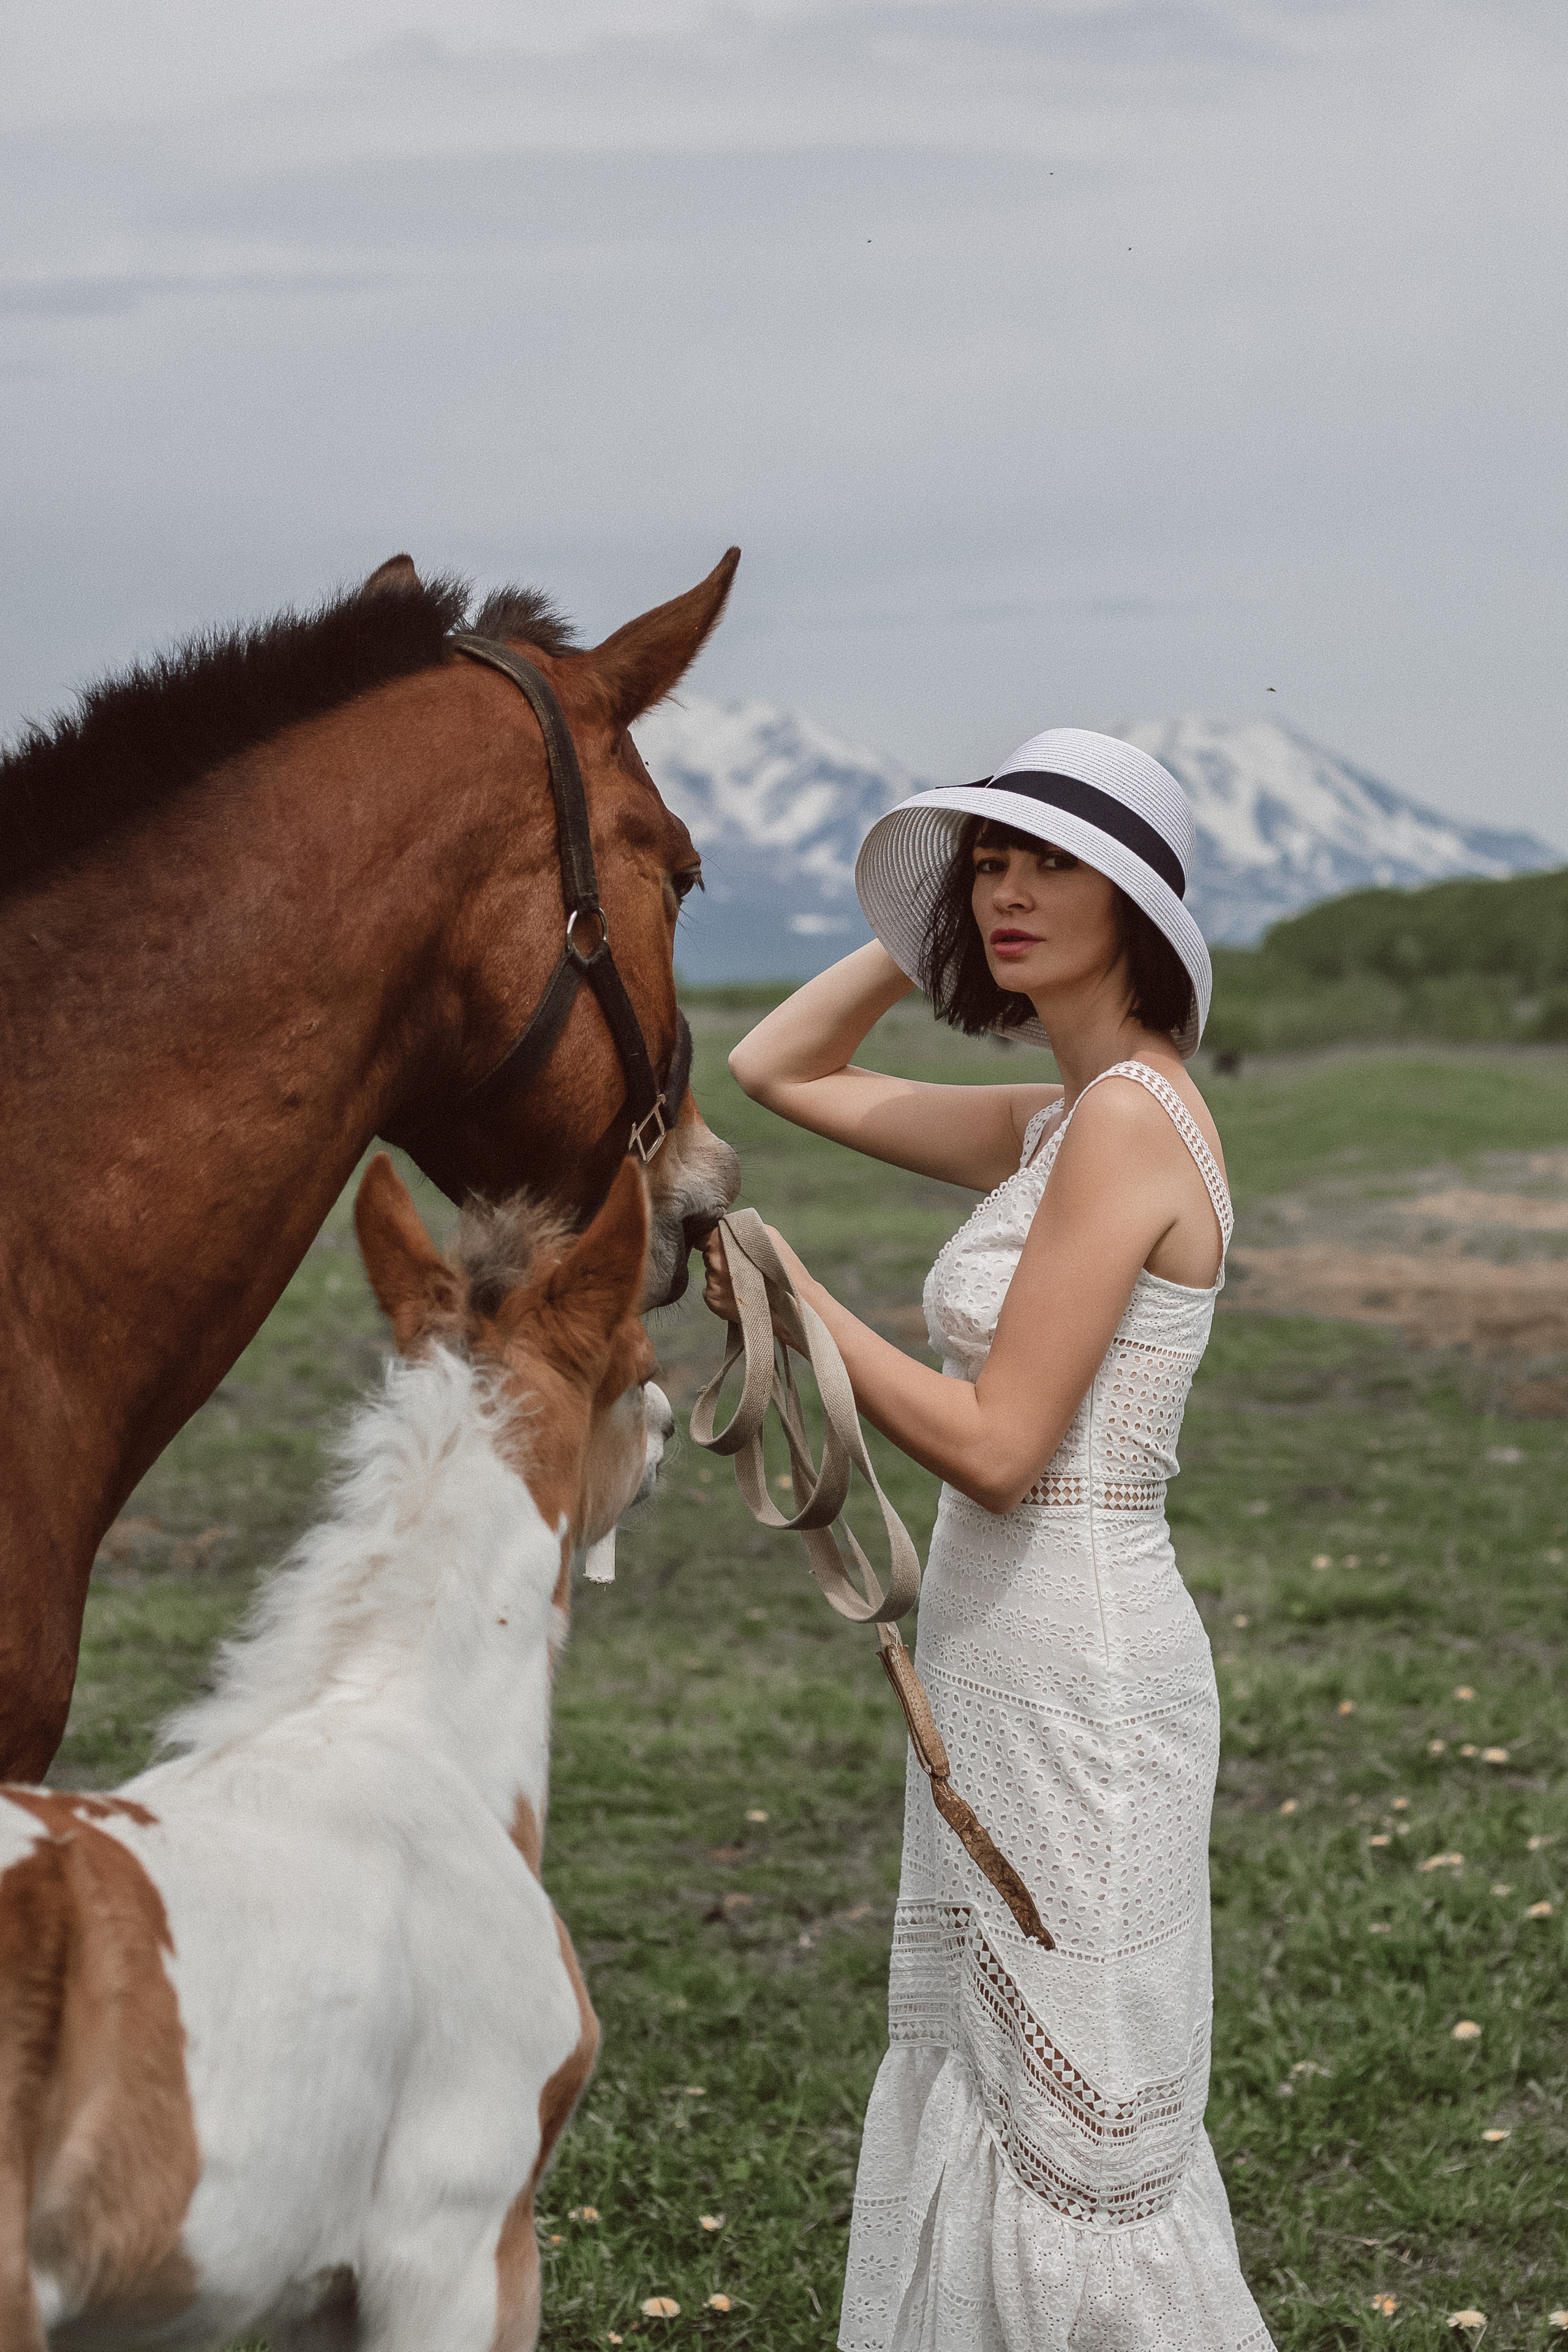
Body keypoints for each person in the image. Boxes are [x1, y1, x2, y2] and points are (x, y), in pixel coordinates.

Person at [702, 731, 1273, 2351]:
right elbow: (780, 1070)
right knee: (1005, 2084)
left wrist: (793, 1297)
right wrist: (923, 931)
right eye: (991, 870)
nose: (1010, 894)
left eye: (1053, 869)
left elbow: (1003, 1451)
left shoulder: (1129, 1124)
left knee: (1077, 2131)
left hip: (1079, 1659)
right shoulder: (1059, 1118)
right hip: (998, 1654)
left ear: (1137, 906)